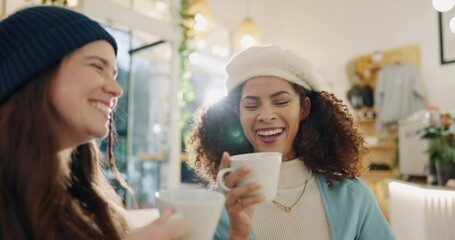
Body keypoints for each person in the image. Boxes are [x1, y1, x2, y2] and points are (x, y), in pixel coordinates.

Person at [0, 6, 189, 240]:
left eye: (114, 75)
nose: (117, 90)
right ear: (35, 73)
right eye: (97, 66)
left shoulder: (85, 202)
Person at [186, 45, 396, 240]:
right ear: (237, 113)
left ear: (304, 109)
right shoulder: (215, 209)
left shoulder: (352, 197)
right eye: (251, 106)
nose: (265, 115)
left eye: (281, 102)